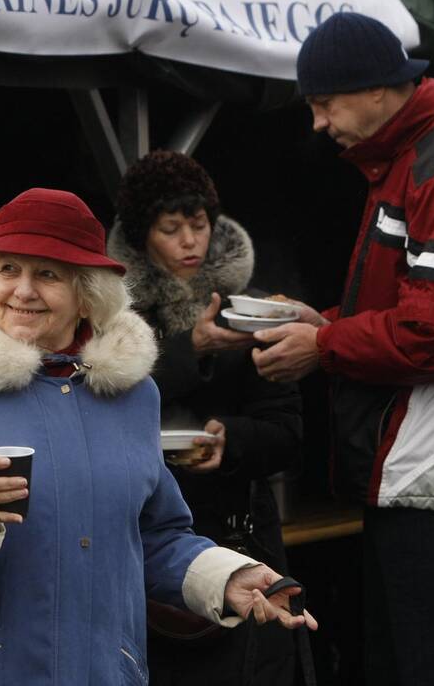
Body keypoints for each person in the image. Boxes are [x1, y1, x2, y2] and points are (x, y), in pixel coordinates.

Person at [0, 188, 316, 685]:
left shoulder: (132, 396)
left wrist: (227, 578)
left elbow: (152, 536)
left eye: (47, 274)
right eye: (8, 269)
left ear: (88, 295)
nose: (23, 291)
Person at [251, 13, 434, 686]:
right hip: (421, 465)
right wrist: (316, 319)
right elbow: (419, 308)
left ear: (377, 89)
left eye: (323, 102)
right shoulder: (417, 158)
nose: (317, 123)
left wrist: (322, 345)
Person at [109, 150, 302, 685]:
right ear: (142, 236)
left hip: (239, 530)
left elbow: (288, 432)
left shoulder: (250, 309)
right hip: (146, 541)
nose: (190, 241)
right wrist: (188, 349)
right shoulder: (112, 319)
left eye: (199, 225)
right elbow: (107, 395)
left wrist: (231, 440)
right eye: (172, 228)